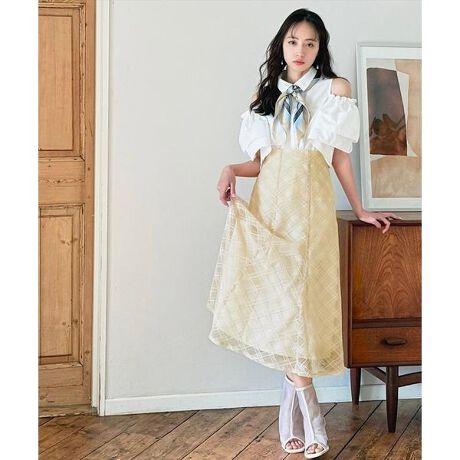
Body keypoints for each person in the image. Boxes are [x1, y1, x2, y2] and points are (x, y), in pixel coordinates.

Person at [206, 8, 401, 459]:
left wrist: (360, 209)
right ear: (282, 44)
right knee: (280, 306)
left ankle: (304, 415)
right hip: (271, 206)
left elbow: (339, 158)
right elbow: (261, 162)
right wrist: (229, 169)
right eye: (293, 41)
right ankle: (303, 413)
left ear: (319, 48)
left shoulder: (335, 90)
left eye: (310, 43)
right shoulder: (264, 94)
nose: (301, 51)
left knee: (302, 306)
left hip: (309, 209)